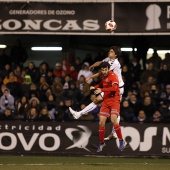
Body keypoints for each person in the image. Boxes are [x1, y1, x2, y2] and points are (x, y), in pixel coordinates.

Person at [69, 46, 124, 140]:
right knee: (99, 100)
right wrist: (92, 66)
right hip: (112, 87)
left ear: (116, 54)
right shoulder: (108, 59)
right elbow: (100, 63)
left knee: (112, 109)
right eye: (109, 51)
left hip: (117, 88)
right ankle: (79, 114)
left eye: (111, 52)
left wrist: (90, 77)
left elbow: (102, 73)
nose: (109, 52)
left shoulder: (115, 63)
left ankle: (79, 114)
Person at [89, 62, 125, 152]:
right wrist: (95, 87)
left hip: (114, 100)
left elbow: (115, 88)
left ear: (109, 69)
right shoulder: (103, 76)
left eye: (105, 70)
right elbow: (102, 84)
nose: (104, 71)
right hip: (106, 101)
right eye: (102, 70)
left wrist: (101, 90)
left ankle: (121, 140)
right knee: (101, 123)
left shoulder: (113, 76)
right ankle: (101, 143)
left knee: (113, 120)